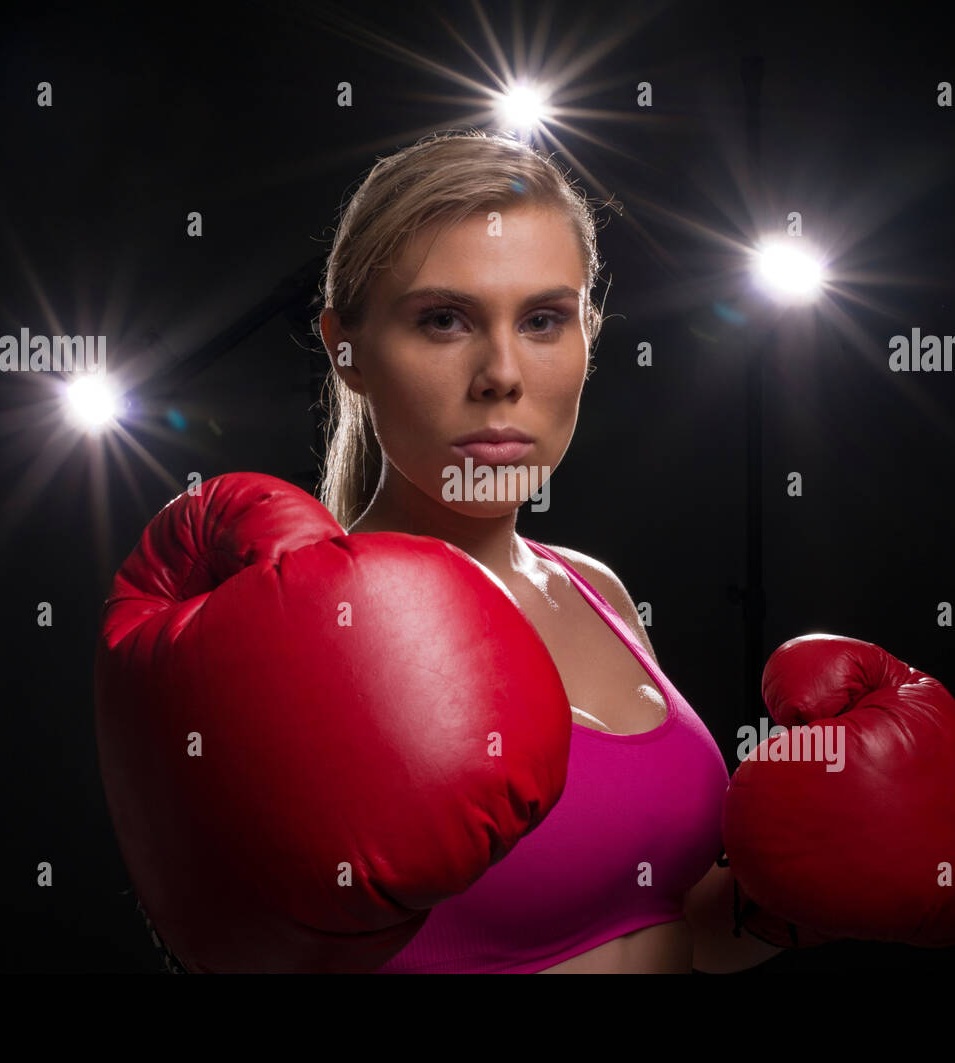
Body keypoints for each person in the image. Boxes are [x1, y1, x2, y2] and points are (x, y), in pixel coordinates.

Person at [315, 129, 779, 973]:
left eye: (541, 320)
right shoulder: (311, 626)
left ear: (588, 335)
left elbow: (677, 928)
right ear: (344, 350)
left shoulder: (593, 585)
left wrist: (795, 903)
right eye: (444, 319)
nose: (501, 372)